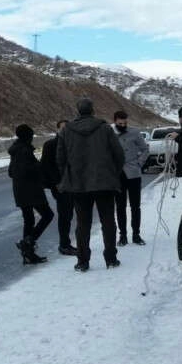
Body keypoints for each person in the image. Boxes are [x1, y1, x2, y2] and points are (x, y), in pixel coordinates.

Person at [56, 97, 125, 272]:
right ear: (92, 110)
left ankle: (83, 261)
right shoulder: (105, 129)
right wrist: (112, 174)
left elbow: (60, 159)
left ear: (78, 111)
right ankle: (110, 258)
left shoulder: (66, 131)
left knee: (82, 224)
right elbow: (119, 155)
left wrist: (69, 175)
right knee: (108, 221)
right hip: (104, 183)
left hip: (78, 185)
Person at [8, 124, 53, 265]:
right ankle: (27, 242)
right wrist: (39, 166)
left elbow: (11, 172)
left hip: (20, 191)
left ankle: (28, 255)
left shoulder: (16, 150)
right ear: (28, 136)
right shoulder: (24, 150)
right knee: (47, 215)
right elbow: (26, 170)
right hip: (31, 191)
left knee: (29, 221)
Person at [112, 110, 149, 246]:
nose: (123, 125)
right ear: (115, 121)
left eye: (125, 123)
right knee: (120, 207)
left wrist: (139, 163)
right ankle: (123, 236)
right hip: (117, 174)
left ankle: (136, 235)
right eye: (120, 123)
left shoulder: (134, 132)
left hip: (133, 173)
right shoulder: (110, 133)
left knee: (135, 206)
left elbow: (145, 149)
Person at [41, 119, 77, 256]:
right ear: (57, 129)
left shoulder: (72, 144)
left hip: (72, 184)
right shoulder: (50, 145)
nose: (64, 131)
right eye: (62, 128)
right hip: (60, 186)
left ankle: (66, 243)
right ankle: (64, 245)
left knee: (69, 215)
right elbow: (46, 166)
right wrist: (57, 183)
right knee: (64, 215)